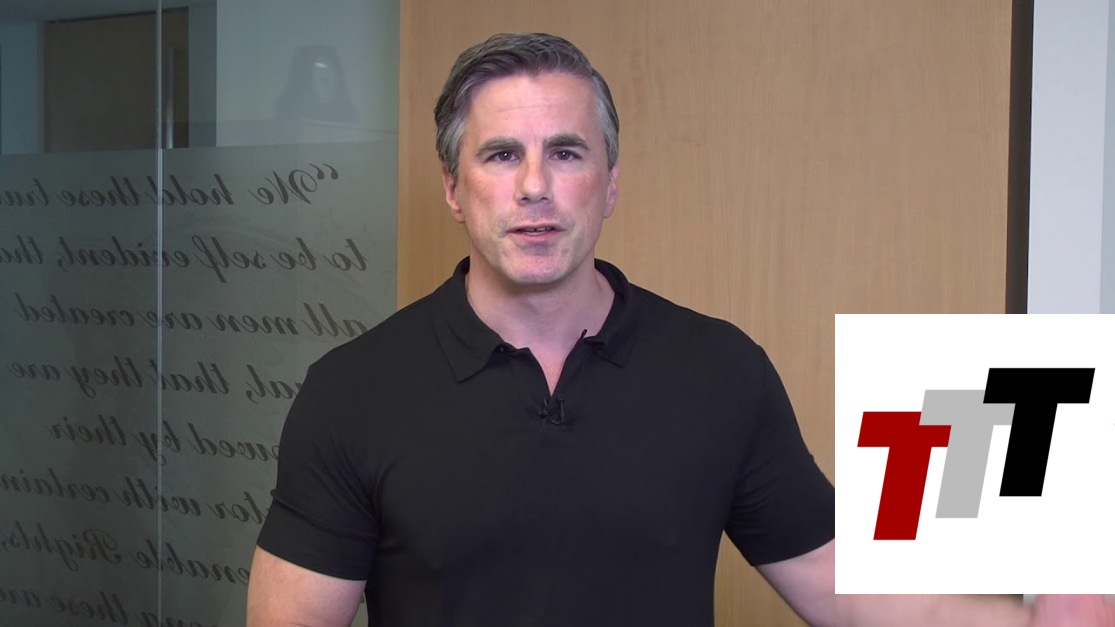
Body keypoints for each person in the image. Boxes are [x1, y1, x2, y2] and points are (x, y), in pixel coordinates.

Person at [246, 32, 1115, 626]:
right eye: (501, 154)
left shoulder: (718, 369)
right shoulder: (353, 390)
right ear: (452, 187)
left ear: (610, 182)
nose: (534, 186)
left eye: (566, 152)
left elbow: (841, 586)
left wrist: (1028, 620)